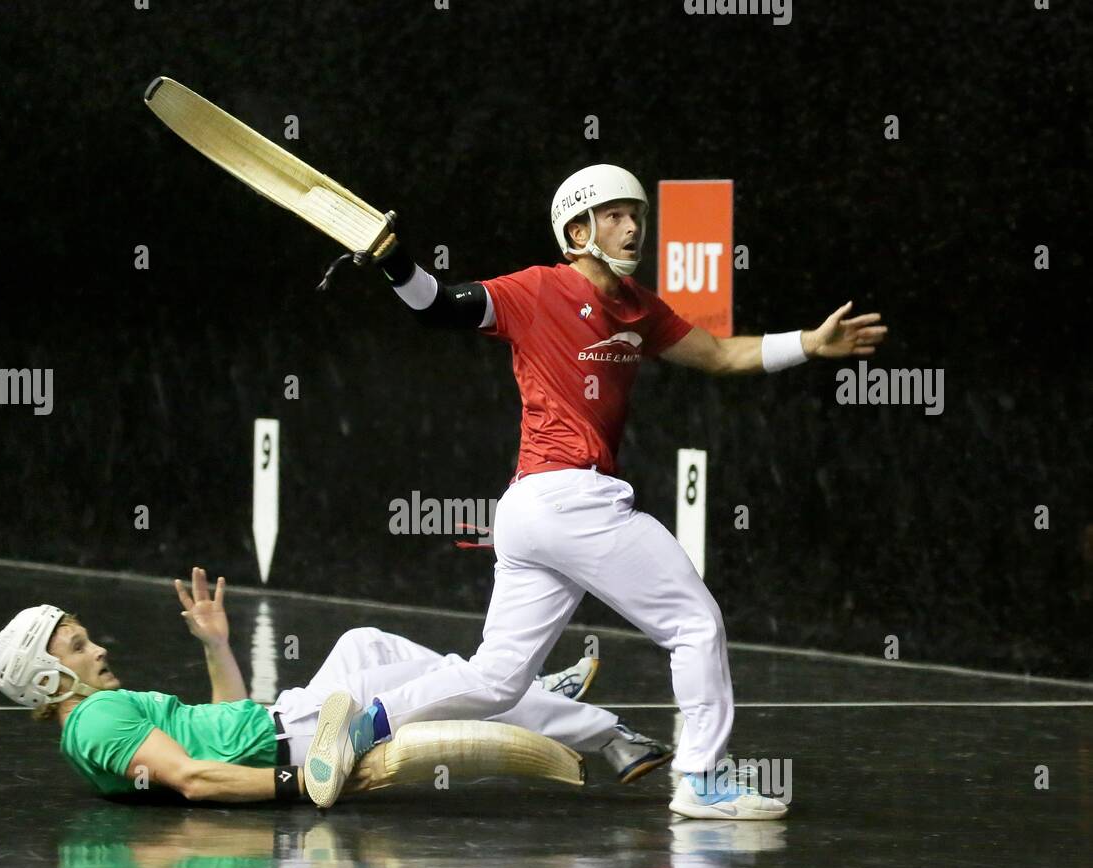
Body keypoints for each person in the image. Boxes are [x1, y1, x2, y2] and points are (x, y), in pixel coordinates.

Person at [304, 164, 888, 820]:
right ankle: (699, 777)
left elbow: (722, 356)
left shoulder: (639, 308)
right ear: (577, 230)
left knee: (498, 677)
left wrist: (809, 343)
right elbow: (439, 306)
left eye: (635, 213)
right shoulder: (537, 289)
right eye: (613, 214)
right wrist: (394, 261)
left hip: (530, 511)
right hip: (566, 496)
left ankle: (364, 724)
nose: (633, 225)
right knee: (693, 622)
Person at [0, 566, 672, 807]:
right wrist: (308, 782)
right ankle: (614, 737)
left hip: (288, 719)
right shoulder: (96, 721)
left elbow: (223, 721)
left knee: (363, 643)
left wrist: (217, 645)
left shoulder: (95, 721)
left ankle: (520, 693)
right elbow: (194, 778)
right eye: (79, 646)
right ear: (47, 679)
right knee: (465, 680)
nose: (98, 647)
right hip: (312, 740)